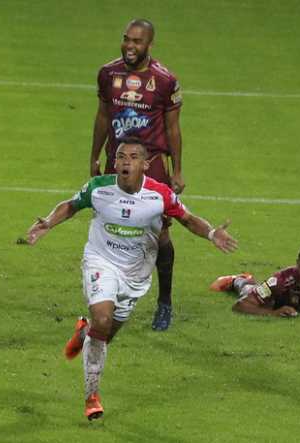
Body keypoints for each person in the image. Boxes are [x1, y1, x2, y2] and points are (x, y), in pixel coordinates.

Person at [27, 139, 237, 420]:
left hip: (136, 274)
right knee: (102, 319)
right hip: (101, 261)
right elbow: (71, 205)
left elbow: (187, 219)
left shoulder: (159, 195)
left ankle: (84, 332)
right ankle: (92, 395)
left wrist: (212, 233)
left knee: (105, 334)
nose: (126, 161)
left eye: (134, 156)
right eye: (121, 156)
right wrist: (48, 223)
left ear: (145, 165)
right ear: (115, 162)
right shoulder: (99, 187)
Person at [90, 18, 184, 331]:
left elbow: (173, 127)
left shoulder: (165, 80)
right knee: (113, 224)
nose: (130, 46)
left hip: (152, 164)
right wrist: (94, 157)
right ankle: (113, 290)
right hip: (118, 162)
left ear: (149, 45)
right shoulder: (108, 73)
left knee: (160, 235)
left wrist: (178, 170)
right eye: (127, 40)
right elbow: (103, 116)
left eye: (137, 42)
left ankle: (165, 303)